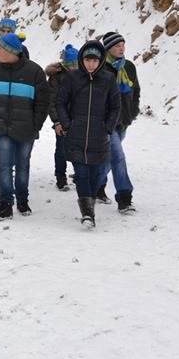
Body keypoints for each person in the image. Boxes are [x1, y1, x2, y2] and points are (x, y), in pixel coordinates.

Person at [0, 32, 50, 220]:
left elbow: (43, 103)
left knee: (22, 166)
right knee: (4, 166)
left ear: (11, 51)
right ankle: (5, 205)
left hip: (26, 129)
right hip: (0, 128)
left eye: (0, 48)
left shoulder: (34, 72)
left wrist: (35, 125)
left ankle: (22, 200)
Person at [55, 40, 121, 227]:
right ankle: (87, 213)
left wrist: (107, 127)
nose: (90, 64)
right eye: (87, 60)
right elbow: (60, 101)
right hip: (76, 134)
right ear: (82, 60)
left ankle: (89, 203)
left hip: (99, 136)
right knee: (81, 173)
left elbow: (116, 106)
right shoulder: (73, 77)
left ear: (100, 61)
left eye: (94, 60)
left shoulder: (108, 79)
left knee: (97, 174)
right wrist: (68, 124)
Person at [98, 31, 141, 213]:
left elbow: (135, 90)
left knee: (109, 160)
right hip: (107, 122)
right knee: (118, 156)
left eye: (123, 44)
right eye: (117, 45)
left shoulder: (129, 67)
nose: (121, 48)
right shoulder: (101, 68)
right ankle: (124, 198)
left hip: (124, 120)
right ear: (108, 48)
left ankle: (95, 186)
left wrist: (133, 110)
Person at [46, 44, 79, 191]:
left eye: (76, 64)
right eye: (71, 64)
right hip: (62, 121)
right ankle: (61, 177)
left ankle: (79, 174)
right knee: (61, 150)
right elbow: (51, 102)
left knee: (79, 149)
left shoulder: (83, 76)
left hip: (79, 120)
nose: (74, 67)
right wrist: (57, 122)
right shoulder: (56, 78)